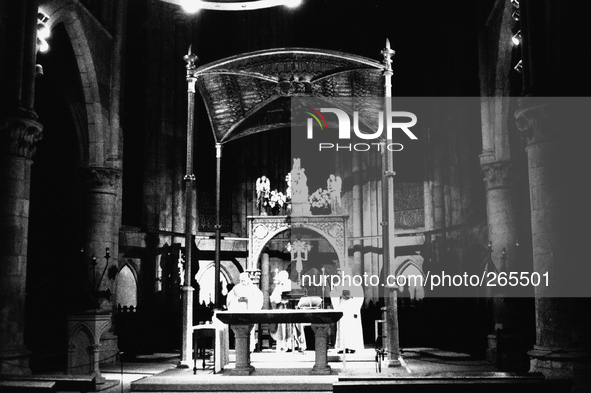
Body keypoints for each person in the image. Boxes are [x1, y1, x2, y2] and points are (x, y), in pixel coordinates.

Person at [226, 272, 263, 352]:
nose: (243, 282)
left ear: (248, 279)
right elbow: (230, 299)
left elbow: (259, 298)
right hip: (239, 312)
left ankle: (250, 348)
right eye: (241, 280)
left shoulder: (253, 288)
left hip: (249, 311)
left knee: (250, 329)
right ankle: (240, 349)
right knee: (239, 330)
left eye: (244, 280)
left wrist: (249, 299)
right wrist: (236, 300)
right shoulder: (236, 288)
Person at [330, 267, 364, 354]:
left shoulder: (356, 284)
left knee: (351, 327)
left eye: (341, 273)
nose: (340, 275)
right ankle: (342, 347)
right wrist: (338, 295)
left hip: (352, 306)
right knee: (343, 327)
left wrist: (352, 297)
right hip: (342, 306)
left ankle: (352, 347)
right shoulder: (338, 284)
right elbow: (333, 294)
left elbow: (360, 297)